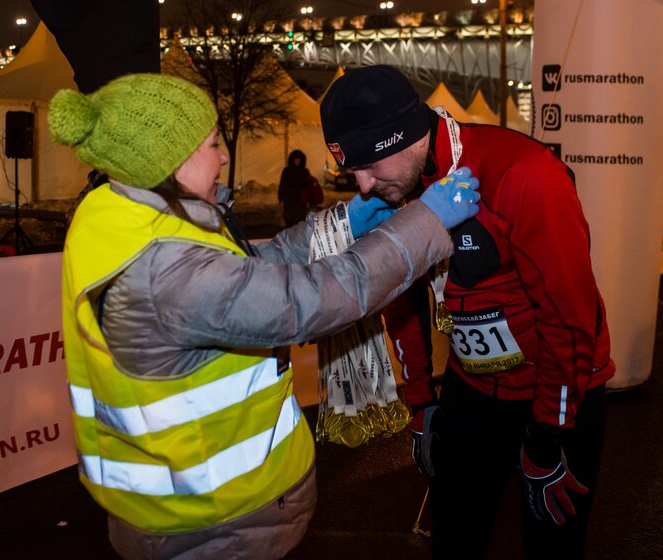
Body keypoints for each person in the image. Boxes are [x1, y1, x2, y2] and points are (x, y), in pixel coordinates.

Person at [48, 73, 481, 560]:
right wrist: (426, 219)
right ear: (172, 161)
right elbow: (312, 299)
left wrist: (342, 222)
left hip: (184, 512)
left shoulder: (121, 216)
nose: (224, 156)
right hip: (212, 525)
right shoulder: (164, 272)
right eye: (213, 143)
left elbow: (249, 272)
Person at [320, 65, 615, 560]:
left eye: (371, 164)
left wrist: (546, 441)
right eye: (352, 171)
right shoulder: (397, 190)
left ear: (407, 135)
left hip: (559, 392)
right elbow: (403, 302)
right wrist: (420, 404)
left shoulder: (523, 173)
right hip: (472, 393)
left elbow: (570, 320)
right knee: (454, 543)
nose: (364, 186)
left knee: (553, 549)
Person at [278, 149, 312, 226]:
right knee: (289, 222)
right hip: (289, 200)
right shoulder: (287, 171)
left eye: (299, 160)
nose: (297, 162)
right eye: (296, 160)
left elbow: (309, 186)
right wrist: (280, 198)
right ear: (292, 160)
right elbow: (282, 184)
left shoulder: (305, 171)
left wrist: (309, 199)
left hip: (301, 201)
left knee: (299, 223)